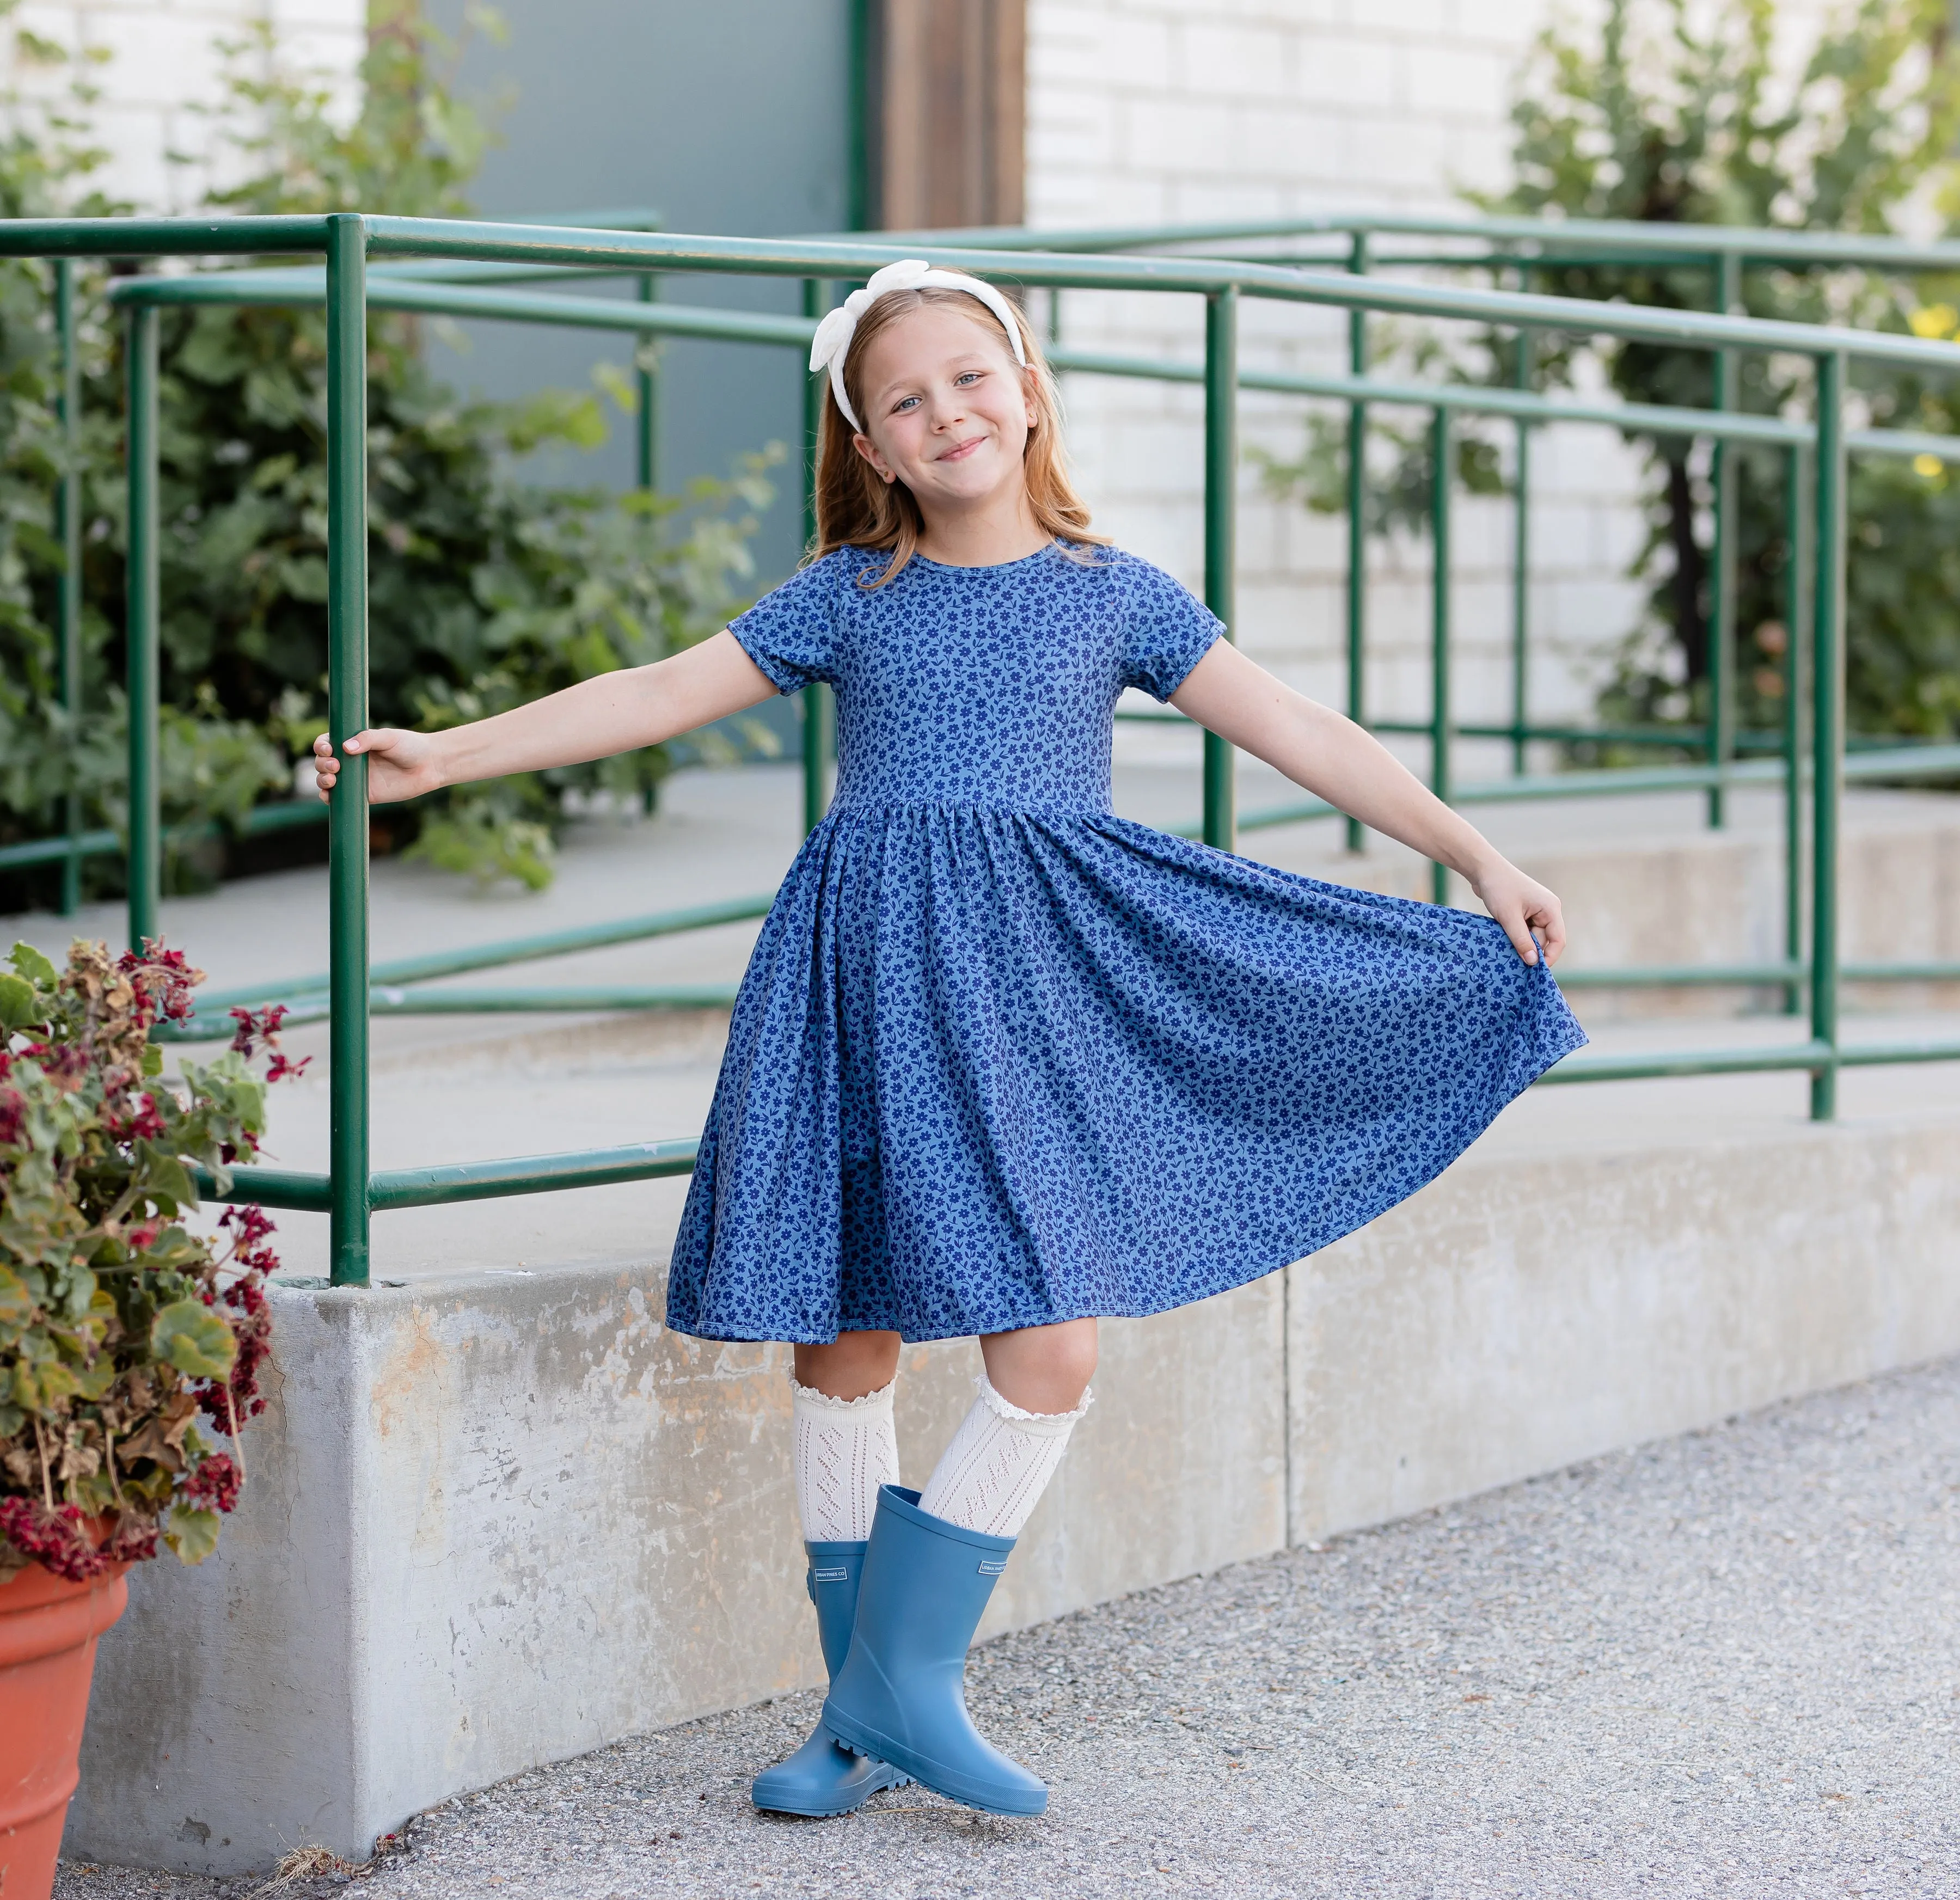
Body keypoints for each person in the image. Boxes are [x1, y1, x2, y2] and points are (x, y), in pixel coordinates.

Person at [314, 258, 1585, 1821]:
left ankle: (901, 1683)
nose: (948, 413)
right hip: (864, 974)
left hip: (1039, 993)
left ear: (1029, 386)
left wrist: (1472, 853)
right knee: (849, 1329)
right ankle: (848, 1728)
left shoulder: (1113, 591)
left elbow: (1300, 729)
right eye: (905, 400)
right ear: (873, 441)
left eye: (972, 379)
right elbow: (658, 690)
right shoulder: (851, 597)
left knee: (1048, 1340)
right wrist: (451, 758)